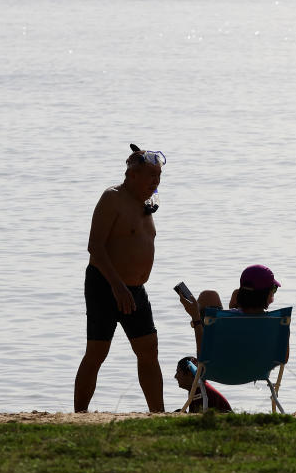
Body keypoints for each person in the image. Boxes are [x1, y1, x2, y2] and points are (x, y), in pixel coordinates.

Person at [74, 144, 166, 413]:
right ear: (132, 175)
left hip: (136, 289)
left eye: (159, 177)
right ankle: (79, 414)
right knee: (97, 352)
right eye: (151, 176)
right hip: (106, 285)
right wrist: (117, 286)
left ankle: (157, 414)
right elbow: (95, 247)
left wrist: (130, 288)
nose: (156, 182)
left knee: (149, 352)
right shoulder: (112, 198)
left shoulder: (146, 202)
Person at [177, 264, 282, 355]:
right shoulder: (278, 322)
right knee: (211, 297)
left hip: (217, 371)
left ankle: (201, 319)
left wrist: (196, 319)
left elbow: (203, 353)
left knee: (208, 295)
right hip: (258, 371)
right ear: (267, 295)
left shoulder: (221, 320)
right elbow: (283, 358)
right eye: (273, 289)